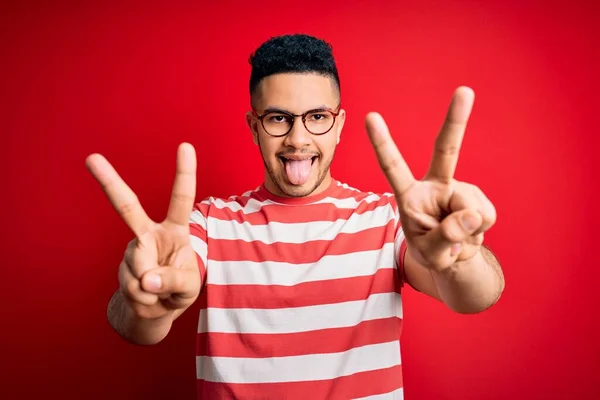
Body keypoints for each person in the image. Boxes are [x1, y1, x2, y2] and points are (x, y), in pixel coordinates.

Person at [86, 34, 505, 399]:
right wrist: (146, 303)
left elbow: (476, 296)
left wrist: (460, 258)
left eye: (317, 117)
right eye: (278, 119)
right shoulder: (210, 224)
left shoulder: (385, 220)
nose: (298, 138)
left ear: (338, 125)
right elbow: (136, 327)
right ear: (254, 126)